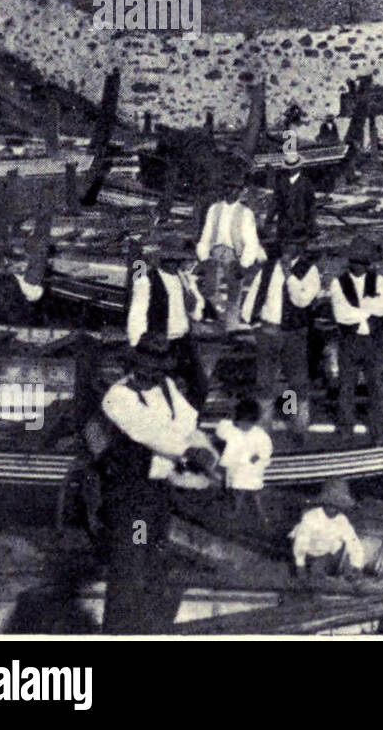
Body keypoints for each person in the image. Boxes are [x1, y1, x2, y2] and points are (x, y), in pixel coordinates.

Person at [95, 351, 212, 633]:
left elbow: (188, 419)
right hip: (131, 495)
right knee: (131, 558)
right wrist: (183, 448)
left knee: (153, 557)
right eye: (146, 370)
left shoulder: (167, 387)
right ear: (132, 368)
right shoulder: (118, 396)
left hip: (157, 490)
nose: (153, 376)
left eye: (158, 369)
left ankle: (148, 628)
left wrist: (181, 443)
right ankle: (120, 630)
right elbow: (146, 430)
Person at [241, 236, 320, 431]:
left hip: (294, 333)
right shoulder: (268, 268)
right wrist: (252, 321)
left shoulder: (309, 270)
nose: (287, 247)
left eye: (292, 243)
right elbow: (254, 295)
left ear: (300, 246)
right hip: (268, 330)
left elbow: (301, 300)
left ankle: (295, 423)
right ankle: (264, 426)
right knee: (265, 381)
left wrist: (288, 275)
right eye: (285, 243)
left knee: (295, 380)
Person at [126, 233, 208, 409]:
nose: (174, 263)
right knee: (161, 393)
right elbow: (137, 313)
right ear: (163, 259)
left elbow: (197, 313)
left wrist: (193, 301)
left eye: (177, 259)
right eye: (171, 259)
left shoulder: (185, 279)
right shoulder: (146, 280)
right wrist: (137, 344)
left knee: (200, 387)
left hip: (184, 341)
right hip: (160, 343)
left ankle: (190, 424)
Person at [329, 236, 383, 443]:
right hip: (350, 341)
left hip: (374, 342)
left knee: (377, 388)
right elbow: (341, 315)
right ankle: (346, 428)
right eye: (357, 262)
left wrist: (359, 309)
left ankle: (378, 430)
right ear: (350, 262)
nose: (361, 266)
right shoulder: (337, 283)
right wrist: (368, 307)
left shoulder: (381, 281)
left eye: (364, 262)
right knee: (346, 387)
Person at [195, 181, 266, 323]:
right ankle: (214, 318)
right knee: (209, 288)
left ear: (240, 191)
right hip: (215, 252)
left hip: (235, 254)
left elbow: (251, 242)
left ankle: (231, 325)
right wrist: (204, 257)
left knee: (234, 293)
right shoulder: (214, 209)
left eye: (233, 188)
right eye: (226, 187)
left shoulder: (245, 213)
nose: (229, 191)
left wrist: (244, 264)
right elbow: (206, 235)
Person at [290, 479, 366, 579]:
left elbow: (353, 542)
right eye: (329, 505)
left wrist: (357, 565)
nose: (333, 509)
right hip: (304, 548)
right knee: (301, 572)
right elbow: (301, 541)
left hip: (323, 553)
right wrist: (300, 565)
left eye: (337, 506)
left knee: (319, 574)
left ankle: (320, 571)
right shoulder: (311, 516)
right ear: (323, 503)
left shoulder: (342, 520)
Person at [215, 398, 273, 526]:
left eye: (248, 424)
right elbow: (220, 430)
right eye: (241, 422)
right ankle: (236, 509)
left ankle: (260, 512)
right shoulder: (232, 430)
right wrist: (230, 415)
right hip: (235, 467)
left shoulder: (260, 435)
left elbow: (265, 452)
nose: (244, 426)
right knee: (237, 490)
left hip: (251, 468)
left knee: (254, 492)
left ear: (255, 421)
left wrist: (251, 461)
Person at [269, 167, 316, 242]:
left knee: (298, 248)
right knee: (283, 248)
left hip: (300, 225)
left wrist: (311, 228)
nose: (291, 170)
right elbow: (275, 203)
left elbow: (311, 207)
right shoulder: (281, 182)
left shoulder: (306, 183)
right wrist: (268, 220)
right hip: (284, 226)